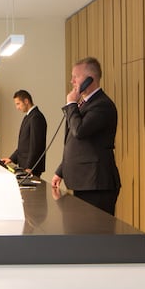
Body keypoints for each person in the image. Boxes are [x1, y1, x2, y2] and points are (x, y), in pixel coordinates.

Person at [51, 57, 121, 215]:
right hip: (84, 182)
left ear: (90, 79)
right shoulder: (84, 104)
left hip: (96, 183)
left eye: (75, 77)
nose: (72, 81)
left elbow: (80, 131)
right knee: (80, 227)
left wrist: (71, 104)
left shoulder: (102, 105)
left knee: (95, 229)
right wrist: (61, 170)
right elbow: (74, 143)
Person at [2, 90, 47, 177]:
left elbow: (36, 145)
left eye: (18, 104)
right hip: (25, 165)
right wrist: (11, 159)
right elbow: (24, 145)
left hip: (31, 168)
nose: (17, 107)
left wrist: (30, 167)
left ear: (26, 101)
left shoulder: (36, 117)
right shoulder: (28, 117)